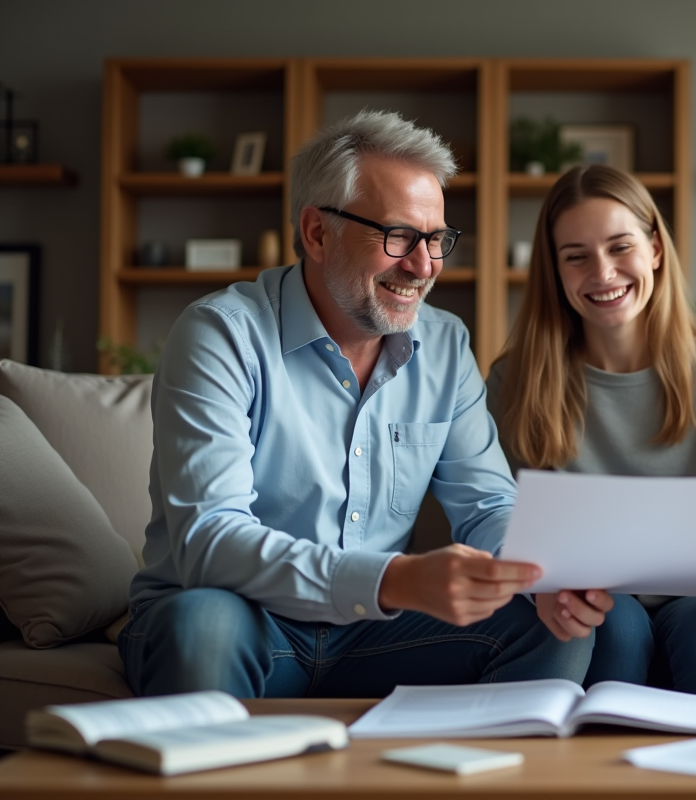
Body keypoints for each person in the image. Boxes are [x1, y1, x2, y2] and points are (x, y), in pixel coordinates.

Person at [119, 111, 593, 698]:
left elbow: (488, 504)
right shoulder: (221, 334)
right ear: (317, 232)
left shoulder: (444, 345)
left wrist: (540, 572)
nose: (423, 267)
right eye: (398, 236)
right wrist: (393, 579)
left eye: (437, 240)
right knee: (206, 623)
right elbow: (209, 539)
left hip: (374, 633)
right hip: (242, 620)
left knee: (554, 625)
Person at [486, 164, 696, 696]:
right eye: (576, 257)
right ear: (555, 271)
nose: (603, 272)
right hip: (590, 598)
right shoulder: (514, 381)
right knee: (614, 627)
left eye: (621, 247)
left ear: (656, 249)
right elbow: (507, 521)